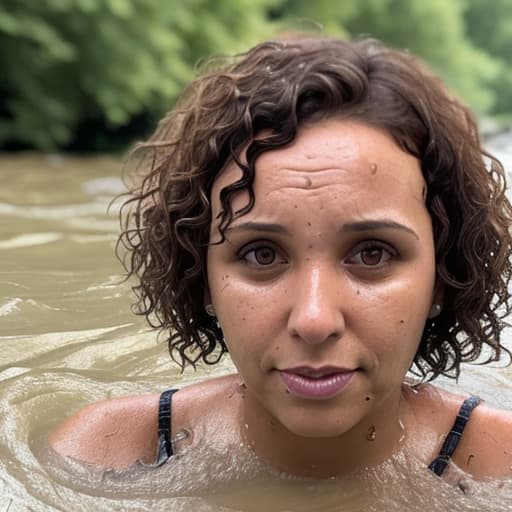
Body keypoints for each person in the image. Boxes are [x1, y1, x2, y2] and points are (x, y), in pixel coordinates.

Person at [49, 36, 512, 489]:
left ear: (442, 278)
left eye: (372, 253)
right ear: (201, 278)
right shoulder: (106, 453)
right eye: (261, 254)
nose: (314, 320)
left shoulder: (501, 468)